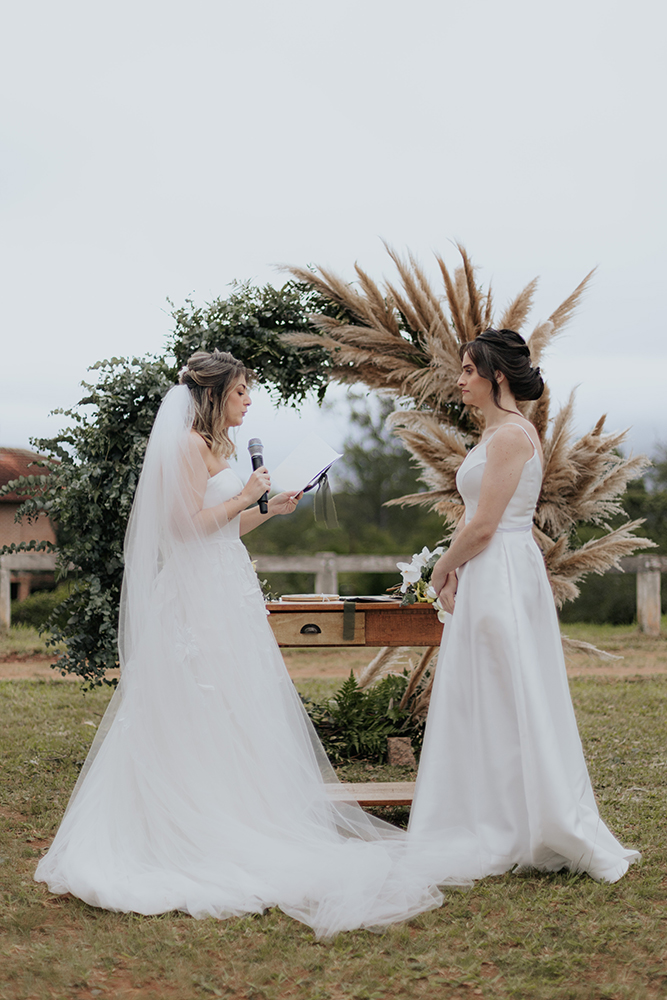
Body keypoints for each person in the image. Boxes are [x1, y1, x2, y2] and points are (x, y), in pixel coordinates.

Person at [35, 349, 444, 938]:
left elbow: (224, 525)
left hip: (226, 583)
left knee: (235, 701)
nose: (250, 400)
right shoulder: (186, 448)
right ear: (214, 395)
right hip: (195, 592)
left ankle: (239, 810)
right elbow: (183, 530)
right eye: (242, 392)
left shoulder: (218, 449)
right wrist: (247, 491)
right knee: (195, 700)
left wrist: (268, 508)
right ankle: (188, 825)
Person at [407, 329, 639, 883]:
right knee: (486, 694)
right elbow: (472, 516)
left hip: (502, 572)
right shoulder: (495, 434)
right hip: (487, 569)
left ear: (497, 377)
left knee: (510, 691)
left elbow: (486, 524)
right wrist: (451, 562)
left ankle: (525, 824)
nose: (459, 380)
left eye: (468, 370)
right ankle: (494, 815)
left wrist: (441, 568)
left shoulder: (512, 435)